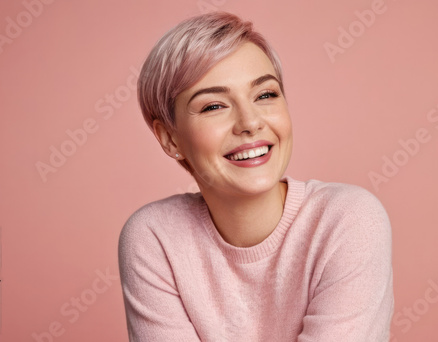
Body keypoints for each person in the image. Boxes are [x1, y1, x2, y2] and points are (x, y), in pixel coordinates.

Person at [118, 11, 393, 342]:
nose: (250, 121)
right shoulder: (155, 239)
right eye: (213, 106)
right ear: (170, 139)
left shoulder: (350, 221)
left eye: (265, 95)